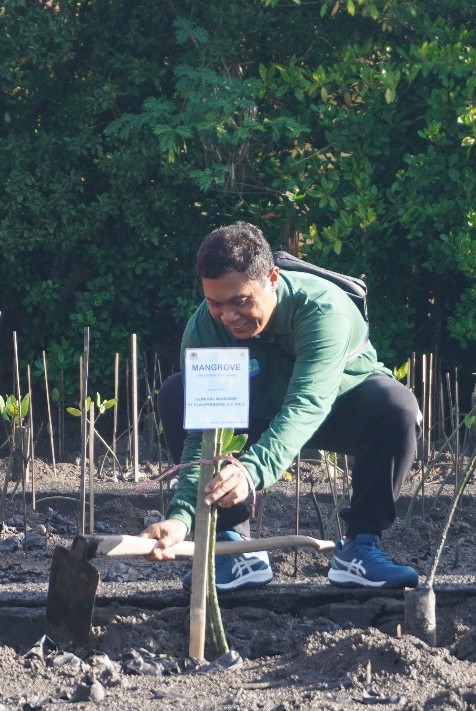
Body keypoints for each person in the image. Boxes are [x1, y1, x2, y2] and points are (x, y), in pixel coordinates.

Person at [139, 222, 421, 590]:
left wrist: (250, 473)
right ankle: (234, 548)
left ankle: (360, 548)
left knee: (396, 405)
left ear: (272, 278)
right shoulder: (205, 330)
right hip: (256, 411)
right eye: (215, 303)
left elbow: (307, 403)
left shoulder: (322, 310)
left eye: (240, 301)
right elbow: (203, 435)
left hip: (338, 408)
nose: (228, 317)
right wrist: (181, 516)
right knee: (178, 394)